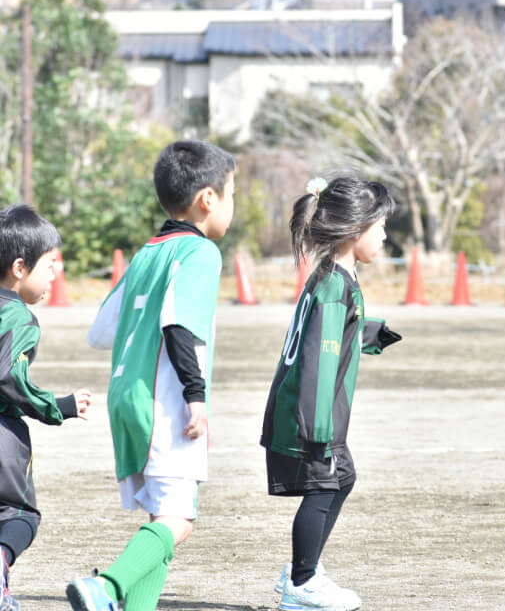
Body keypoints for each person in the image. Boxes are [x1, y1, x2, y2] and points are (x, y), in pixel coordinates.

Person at [66, 140, 236, 611]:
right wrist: (196, 397)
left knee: (160, 518)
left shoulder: (145, 254)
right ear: (207, 199)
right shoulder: (199, 254)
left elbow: (100, 332)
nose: (232, 207)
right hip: (165, 403)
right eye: (232, 195)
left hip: (125, 401)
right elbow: (181, 326)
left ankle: (130, 603)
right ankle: (108, 586)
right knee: (179, 519)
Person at [261, 176, 401, 611]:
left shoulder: (335, 277)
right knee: (325, 484)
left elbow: (327, 335)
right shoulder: (335, 286)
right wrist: (317, 428)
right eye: (379, 226)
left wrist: (368, 331)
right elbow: (319, 359)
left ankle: (306, 570)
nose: (384, 235)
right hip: (310, 413)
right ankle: (301, 583)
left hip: (310, 410)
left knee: (342, 478)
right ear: (355, 229)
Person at [0, 205, 92, 611]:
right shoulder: (19, 317)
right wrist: (58, 405)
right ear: (20, 267)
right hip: (3, 436)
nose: (56, 274)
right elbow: (8, 378)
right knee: (19, 515)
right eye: (50, 264)